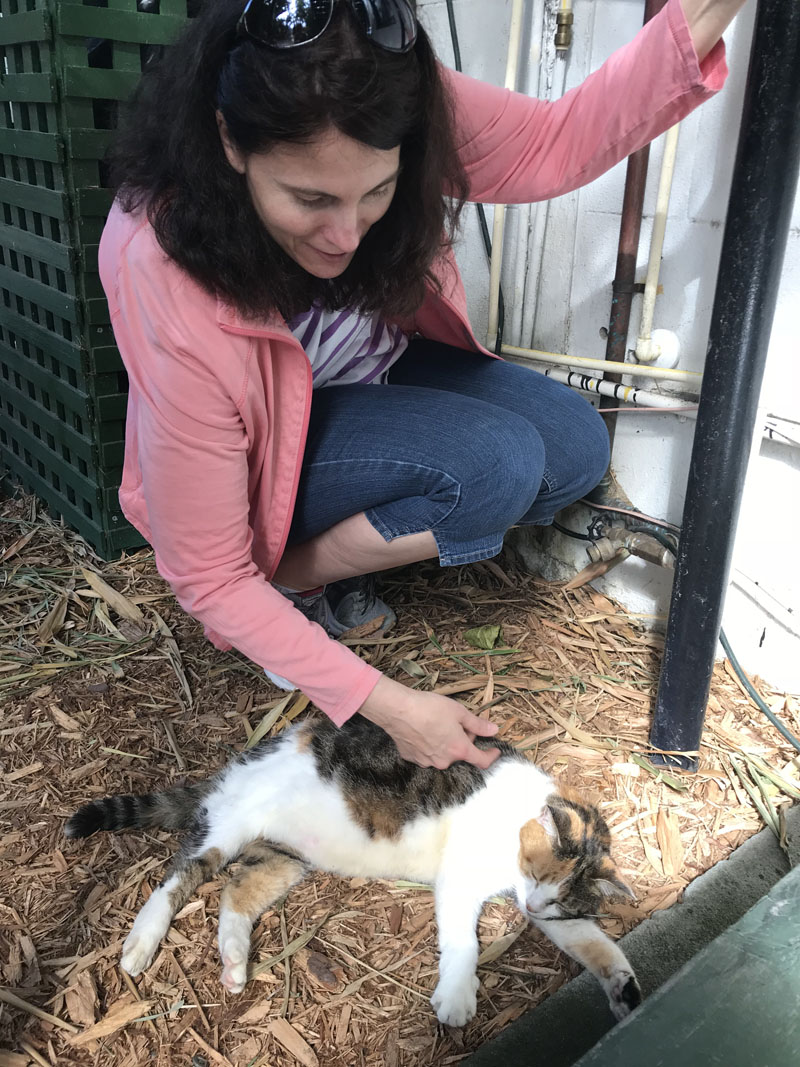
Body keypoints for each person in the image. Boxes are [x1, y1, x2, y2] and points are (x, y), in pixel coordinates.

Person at [100, 0, 745, 770]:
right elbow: (203, 574)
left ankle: (303, 567)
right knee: (498, 463)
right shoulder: (158, 260)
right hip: (269, 440)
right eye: (310, 199)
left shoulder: (389, 89)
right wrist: (391, 707)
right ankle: (286, 586)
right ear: (229, 140)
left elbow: (557, 141)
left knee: (572, 443)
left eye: (377, 191)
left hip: (368, 368)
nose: (346, 235)